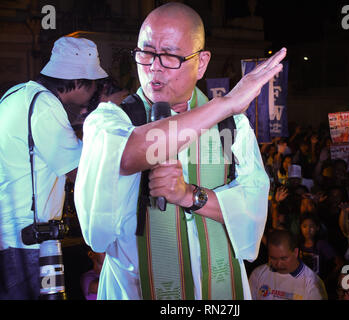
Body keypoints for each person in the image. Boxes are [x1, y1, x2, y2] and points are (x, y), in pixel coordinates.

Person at [74, 2, 287, 300]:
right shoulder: (111, 119)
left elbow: (251, 209)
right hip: (136, 289)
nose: (154, 67)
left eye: (170, 56)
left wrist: (188, 195)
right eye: (146, 53)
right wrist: (224, 102)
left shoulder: (231, 126)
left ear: (201, 63)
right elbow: (126, 155)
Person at [0, 36, 112, 299]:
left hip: (11, 233)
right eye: (93, 84)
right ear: (78, 81)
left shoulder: (15, 95)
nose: (94, 91)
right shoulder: (45, 105)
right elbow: (79, 170)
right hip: (29, 239)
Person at [249, 229, 327, 300]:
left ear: (296, 252)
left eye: (283, 258)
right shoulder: (258, 274)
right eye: (273, 258)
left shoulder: (312, 282)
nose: (278, 264)